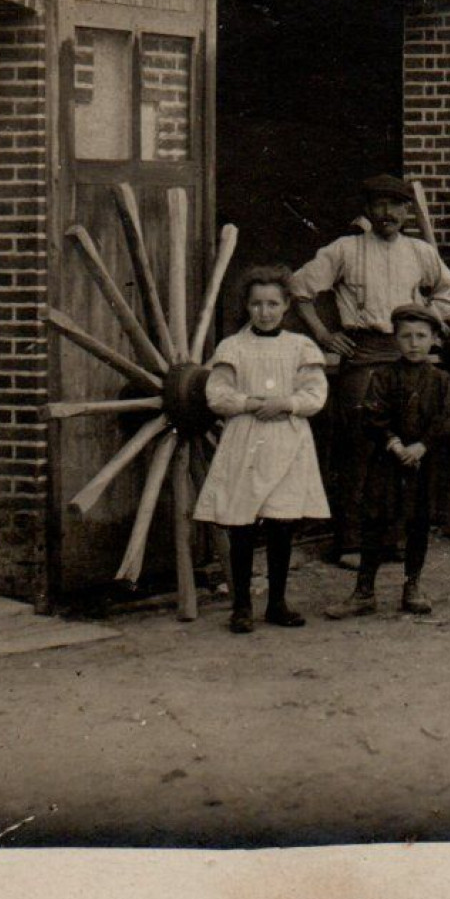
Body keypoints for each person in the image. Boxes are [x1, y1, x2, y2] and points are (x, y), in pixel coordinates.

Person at [290, 174, 450, 562]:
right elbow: (299, 287)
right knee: (360, 447)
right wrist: (324, 334)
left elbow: (449, 292)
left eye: (397, 206)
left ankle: (393, 540)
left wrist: (422, 324)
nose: (389, 214)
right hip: (363, 356)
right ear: (368, 210)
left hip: (404, 358)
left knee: (402, 445)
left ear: (406, 213)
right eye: (381, 206)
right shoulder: (345, 249)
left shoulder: (420, 253)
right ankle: (350, 542)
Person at [193, 266, 331, 633]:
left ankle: (277, 603)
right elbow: (217, 394)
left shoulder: (300, 347)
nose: (265, 312)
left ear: (286, 306)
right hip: (246, 440)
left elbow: (315, 395)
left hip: (287, 439)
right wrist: (250, 403)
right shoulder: (233, 347)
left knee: (282, 524)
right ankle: (241, 606)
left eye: (273, 304)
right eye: (257, 304)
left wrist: (285, 404)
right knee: (241, 526)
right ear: (247, 306)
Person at [324, 305, 450, 619]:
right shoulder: (383, 376)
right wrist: (395, 444)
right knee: (375, 521)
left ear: (435, 339)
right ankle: (363, 591)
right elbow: (373, 415)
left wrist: (422, 447)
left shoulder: (441, 380)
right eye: (406, 336)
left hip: (423, 464)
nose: (414, 343)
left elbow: (446, 420)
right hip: (387, 460)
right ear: (395, 339)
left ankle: (413, 586)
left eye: (421, 336)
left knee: (418, 523)